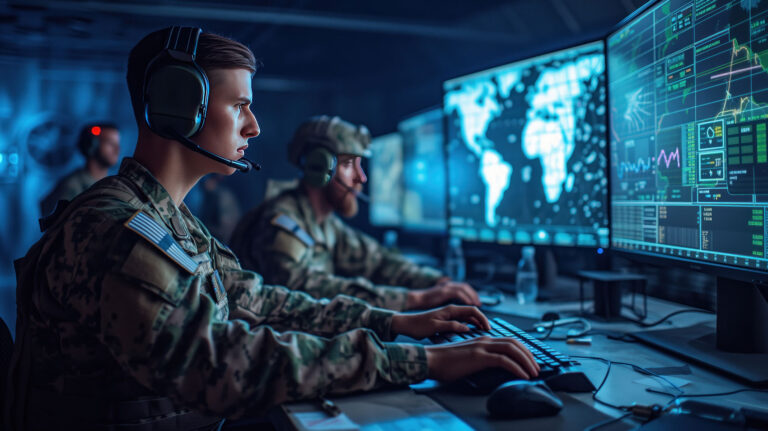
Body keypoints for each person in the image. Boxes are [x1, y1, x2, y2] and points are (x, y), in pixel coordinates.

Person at [4, 27, 538, 431]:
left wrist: (398, 323)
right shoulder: (117, 230)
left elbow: (260, 302)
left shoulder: (170, 217)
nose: (254, 127)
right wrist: (417, 361)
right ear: (178, 107)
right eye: (239, 106)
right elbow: (222, 366)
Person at [229, 116, 481, 311]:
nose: (361, 177)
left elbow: (377, 260)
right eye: (350, 164)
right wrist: (414, 299)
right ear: (318, 167)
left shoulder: (325, 223)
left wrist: (438, 283)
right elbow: (304, 289)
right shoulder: (281, 222)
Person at [39, 122, 121, 216]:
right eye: (110, 143)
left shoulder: (111, 185)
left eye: (117, 144)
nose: (117, 150)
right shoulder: (72, 186)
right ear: (92, 146)